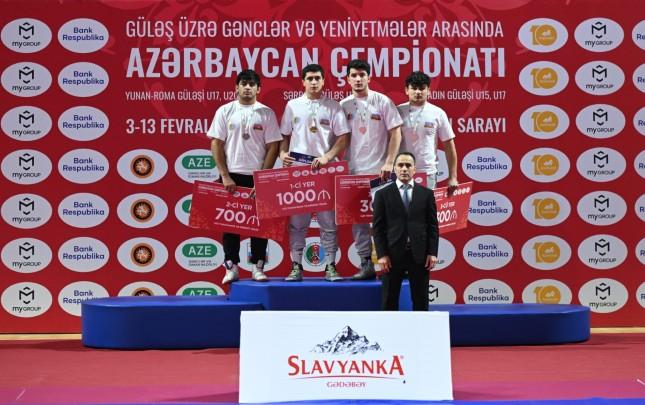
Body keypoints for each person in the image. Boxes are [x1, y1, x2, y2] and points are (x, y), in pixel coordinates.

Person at [207, 69, 282, 284]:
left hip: (257, 176)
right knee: (230, 225)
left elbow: (273, 146)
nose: (247, 87)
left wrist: (262, 178)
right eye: (243, 84)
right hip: (232, 175)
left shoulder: (266, 113)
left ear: (258, 89)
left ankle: (258, 267)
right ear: (236, 87)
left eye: (252, 84)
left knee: (260, 224)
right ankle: (231, 267)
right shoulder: (225, 110)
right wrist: (224, 175)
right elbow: (216, 143)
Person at [279, 64, 350, 282]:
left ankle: (330, 266)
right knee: (297, 223)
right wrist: (282, 153)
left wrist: (328, 157)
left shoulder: (333, 106)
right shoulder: (293, 105)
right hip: (298, 172)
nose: (313, 82)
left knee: (328, 222)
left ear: (323, 81)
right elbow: (284, 136)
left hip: (325, 171)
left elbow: (343, 138)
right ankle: (296, 266)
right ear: (303, 81)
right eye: (309, 78)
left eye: (317, 78)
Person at [340, 59, 403, 280]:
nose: (358, 79)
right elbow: (337, 139)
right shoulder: (343, 105)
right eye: (354, 75)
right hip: (353, 172)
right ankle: (366, 264)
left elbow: (396, 133)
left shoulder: (383, 101)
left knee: (384, 221)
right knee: (359, 223)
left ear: (369, 77)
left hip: (380, 173)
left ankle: (388, 266)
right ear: (347, 79)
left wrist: (390, 162)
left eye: (362, 75)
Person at [372, 152, 439, 311]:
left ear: (414, 169)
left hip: (420, 255)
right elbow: (378, 228)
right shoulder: (382, 194)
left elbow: (432, 226)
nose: (404, 169)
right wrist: (381, 254)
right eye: (400, 165)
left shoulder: (427, 194)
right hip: (391, 256)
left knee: (421, 300)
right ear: (394, 169)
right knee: (389, 301)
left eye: (408, 165)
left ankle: (421, 328)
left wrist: (432, 252)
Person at [398, 71, 458, 190]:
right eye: (414, 88)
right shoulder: (397, 111)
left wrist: (453, 177)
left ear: (428, 90)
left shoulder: (438, 113)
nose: (418, 92)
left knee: (426, 203)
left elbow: (449, 145)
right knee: (401, 203)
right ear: (406, 90)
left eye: (422, 88)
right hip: (401, 172)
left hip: (428, 172)